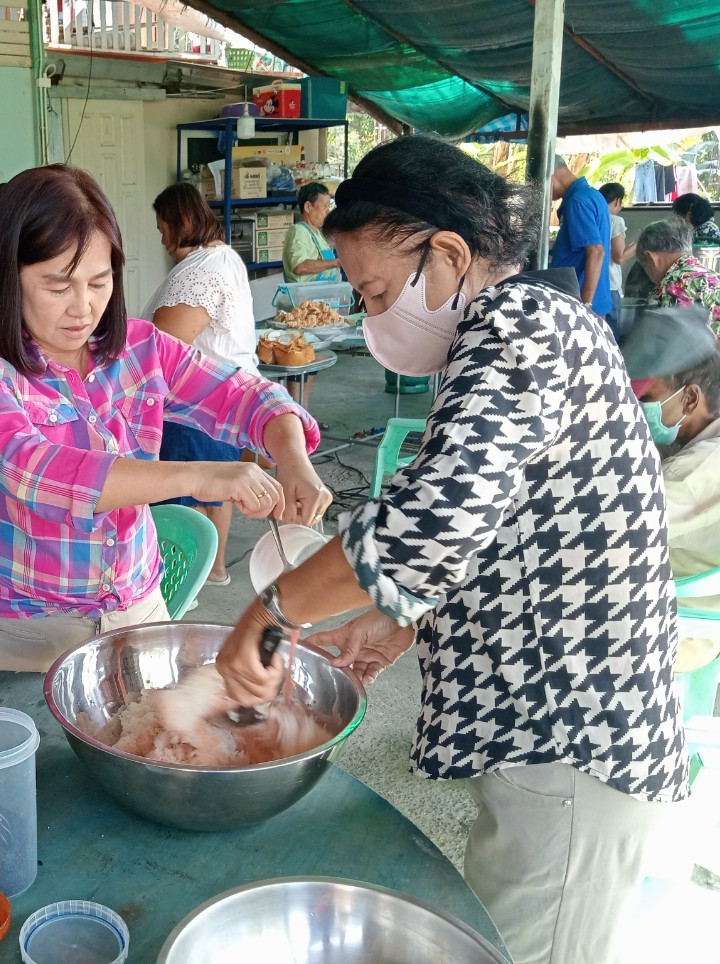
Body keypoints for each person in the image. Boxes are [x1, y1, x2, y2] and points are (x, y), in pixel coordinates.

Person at [216, 136, 687, 964]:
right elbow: (501, 523)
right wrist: (401, 623)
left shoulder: (517, 326)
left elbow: (430, 522)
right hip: (551, 738)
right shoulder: (518, 332)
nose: (369, 316)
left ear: (449, 254)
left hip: (572, 741)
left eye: (375, 291)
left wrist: (270, 611)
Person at [0, 165, 332, 673]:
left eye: (99, 282)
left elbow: (247, 394)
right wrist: (202, 475)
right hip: (26, 631)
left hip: (138, 612)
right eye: (57, 286)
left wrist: (291, 456)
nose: (82, 308)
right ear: (8, 277)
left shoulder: (140, 347)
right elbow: (31, 470)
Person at [144, 181, 262, 587]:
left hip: (194, 406)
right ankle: (213, 569)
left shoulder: (205, 269)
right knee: (216, 489)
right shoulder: (221, 260)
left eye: (164, 229)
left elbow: (166, 347)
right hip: (220, 401)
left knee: (186, 495)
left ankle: (181, 579)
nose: (162, 239)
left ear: (183, 221)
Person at [621, 305, 720, 675]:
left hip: (680, 623)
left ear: (690, 398)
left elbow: (620, 527)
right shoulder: (699, 445)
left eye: (647, 400)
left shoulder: (701, 468)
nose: (638, 411)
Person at [550, 155, 613, 327]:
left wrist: (585, 306)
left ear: (550, 174)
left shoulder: (578, 202)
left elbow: (597, 251)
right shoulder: (592, 195)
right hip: (591, 300)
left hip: (580, 302)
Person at [636, 218, 720, 329]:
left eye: (644, 266)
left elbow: (670, 341)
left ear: (650, 258)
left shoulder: (674, 284)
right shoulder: (714, 276)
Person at [282, 181, 341, 282]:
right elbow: (299, 266)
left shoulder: (318, 234)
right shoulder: (298, 231)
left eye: (329, 206)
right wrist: (336, 263)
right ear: (308, 207)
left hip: (322, 295)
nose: (328, 211)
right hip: (305, 296)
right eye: (325, 206)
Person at [599, 182, 635, 328]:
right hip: (610, 284)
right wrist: (640, 242)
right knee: (611, 333)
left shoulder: (592, 217)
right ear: (617, 201)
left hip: (591, 282)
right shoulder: (615, 221)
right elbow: (619, 257)